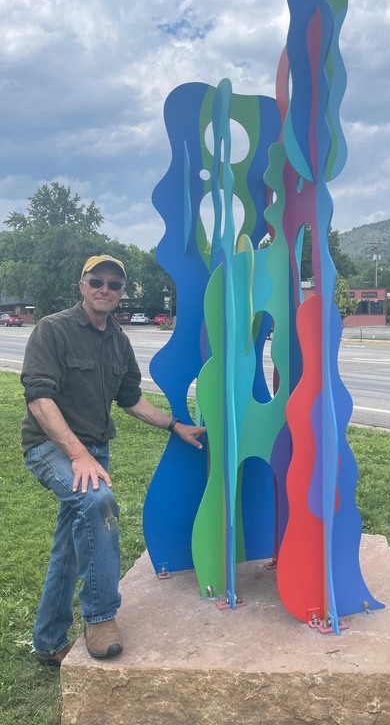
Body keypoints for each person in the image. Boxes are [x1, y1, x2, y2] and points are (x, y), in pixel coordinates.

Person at [21, 255, 206, 665]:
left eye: (114, 285)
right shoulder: (53, 329)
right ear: (82, 285)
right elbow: (39, 398)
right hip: (51, 447)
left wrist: (174, 425)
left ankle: (48, 643)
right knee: (97, 503)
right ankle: (101, 615)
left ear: (122, 293)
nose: (105, 289)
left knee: (70, 545)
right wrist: (79, 455)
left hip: (93, 451)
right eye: (97, 281)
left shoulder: (119, 341)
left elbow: (130, 398)